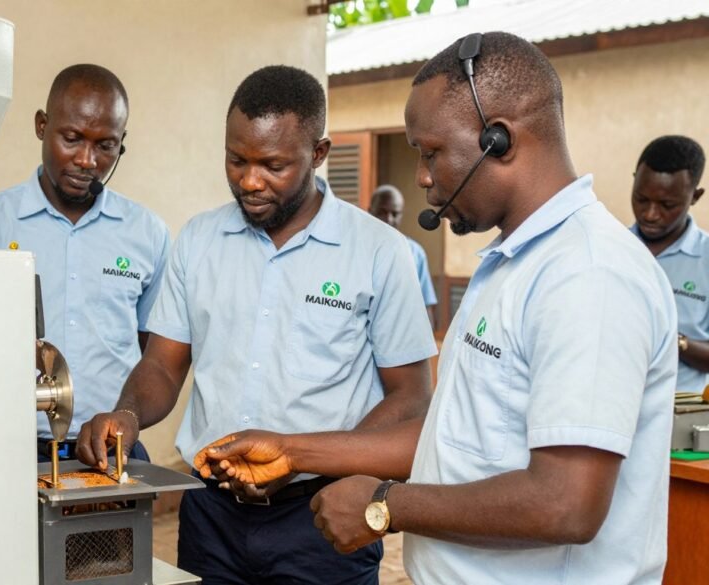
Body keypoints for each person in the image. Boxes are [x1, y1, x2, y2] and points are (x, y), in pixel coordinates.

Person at [194, 33, 677, 585]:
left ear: (501, 139)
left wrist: (384, 506)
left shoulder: (588, 274)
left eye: (431, 152)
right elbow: (453, 434)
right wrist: (292, 451)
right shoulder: (514, 262)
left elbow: (565, 503)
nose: (422, 175)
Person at [77, 65, 436, 585]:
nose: (249, 180)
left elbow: (410, 397)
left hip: (323, 511)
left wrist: (309, 461)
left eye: (272, 164)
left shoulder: (380, 253)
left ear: (319, 154)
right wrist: (128, 414)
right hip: (210, 516)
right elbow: (161, 365)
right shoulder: (198, 241)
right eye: (236, 159)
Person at [0, 64, 169, 462]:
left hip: (111, 450)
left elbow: (151, 349)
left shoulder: (147, 232)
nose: (87, 160)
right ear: (42, 125)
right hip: (9, 452)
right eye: (71, 138)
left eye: (105, 145)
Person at [630, 135, 708, 393]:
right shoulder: (612, 248)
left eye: (667, 205)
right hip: (615, 410)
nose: (650, 214)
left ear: (695, 196)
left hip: (684, 417)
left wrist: (675, 342)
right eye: (641, 199)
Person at [369, 185, 438, 328]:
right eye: (382, 212)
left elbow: (425, 306)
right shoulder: (355, 250)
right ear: (370, 211)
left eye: (395, 214)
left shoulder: (415, 253)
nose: (388, 219)